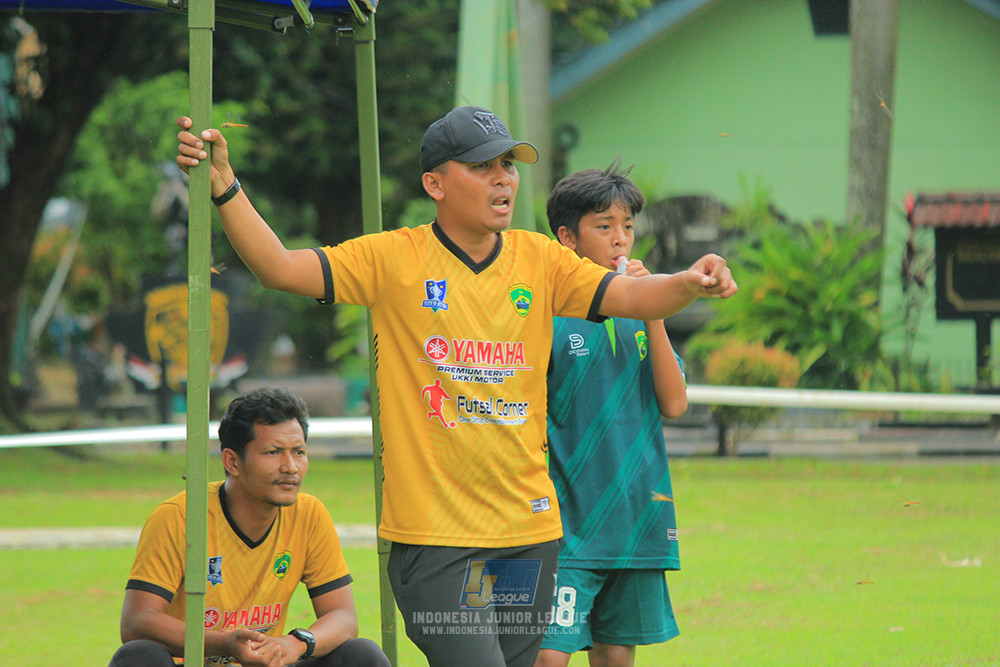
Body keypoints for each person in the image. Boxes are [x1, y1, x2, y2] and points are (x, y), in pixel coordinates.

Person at [175, 105, 737, 667]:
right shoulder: (392, 258)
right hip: (436, 542)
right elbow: (279, 268)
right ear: (435, 184)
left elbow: (634, 296)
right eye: (482, 166)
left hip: (527, 537)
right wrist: (225, 186)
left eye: (508, 166)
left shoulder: (541, 259)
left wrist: (690, 281)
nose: (503, 179)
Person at [108, 386, 389, 667]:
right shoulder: (180, 516)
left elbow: (343, 617)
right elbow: (136, 622)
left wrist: (293, 644)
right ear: (232, 462)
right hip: (193, 662)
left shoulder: (309, 514)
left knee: (362, 655)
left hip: (265, 663)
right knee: (139, 657)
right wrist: (224, 642)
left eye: (299, 452)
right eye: (273, 452)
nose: (290, 467)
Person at [535, 163, 687, 667]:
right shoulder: (547, 314)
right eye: (604, 226)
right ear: (567, 238)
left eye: (627, 226)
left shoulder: (642, 314)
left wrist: (651, 311)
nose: (620, 239)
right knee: (547, 655)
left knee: (616, 655)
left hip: (635, 518)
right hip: (564, 525)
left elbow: (675, 403)